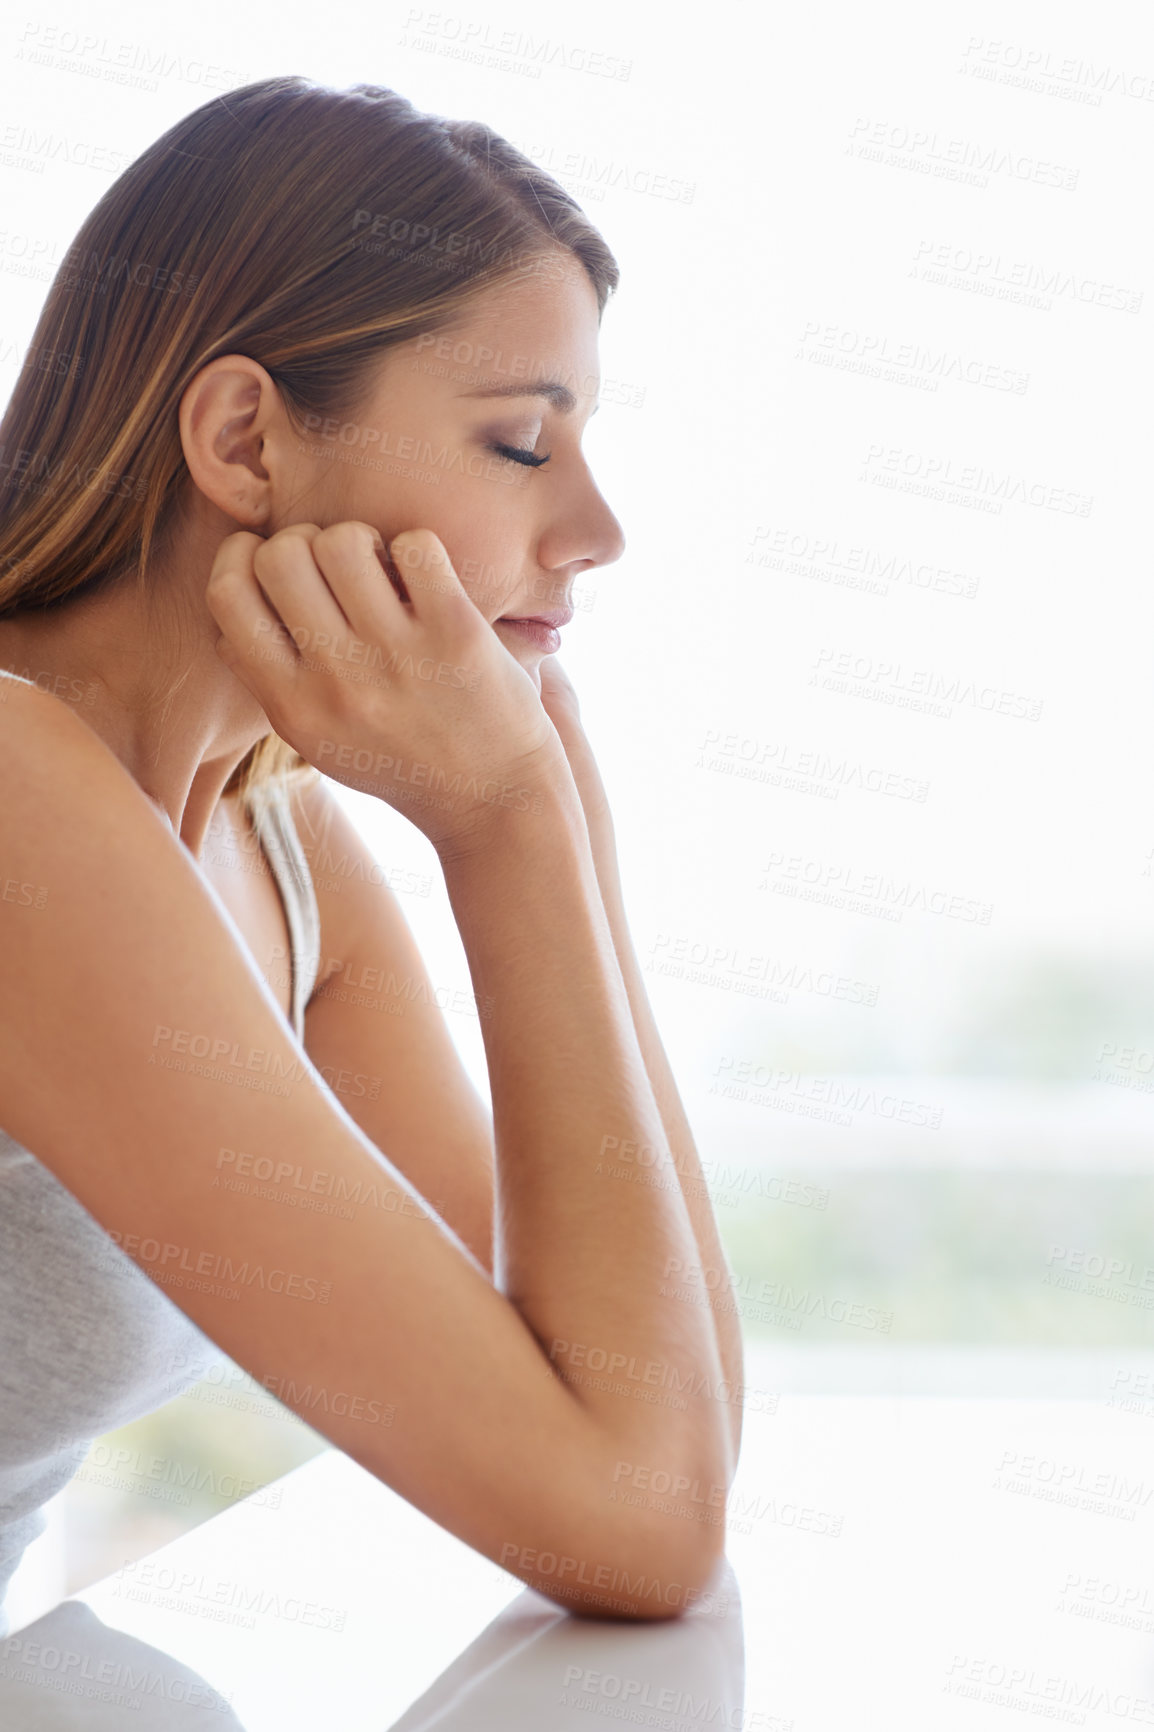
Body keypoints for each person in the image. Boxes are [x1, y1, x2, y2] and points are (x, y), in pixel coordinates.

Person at [0, 75, 744, 1627]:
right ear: (244, 438)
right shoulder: (16, 787)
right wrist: (507, 828)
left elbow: (661, 1421)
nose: (596, 528)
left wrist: (564, 819)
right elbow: (629, 1529)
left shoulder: (273, 837)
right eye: (520, 445)